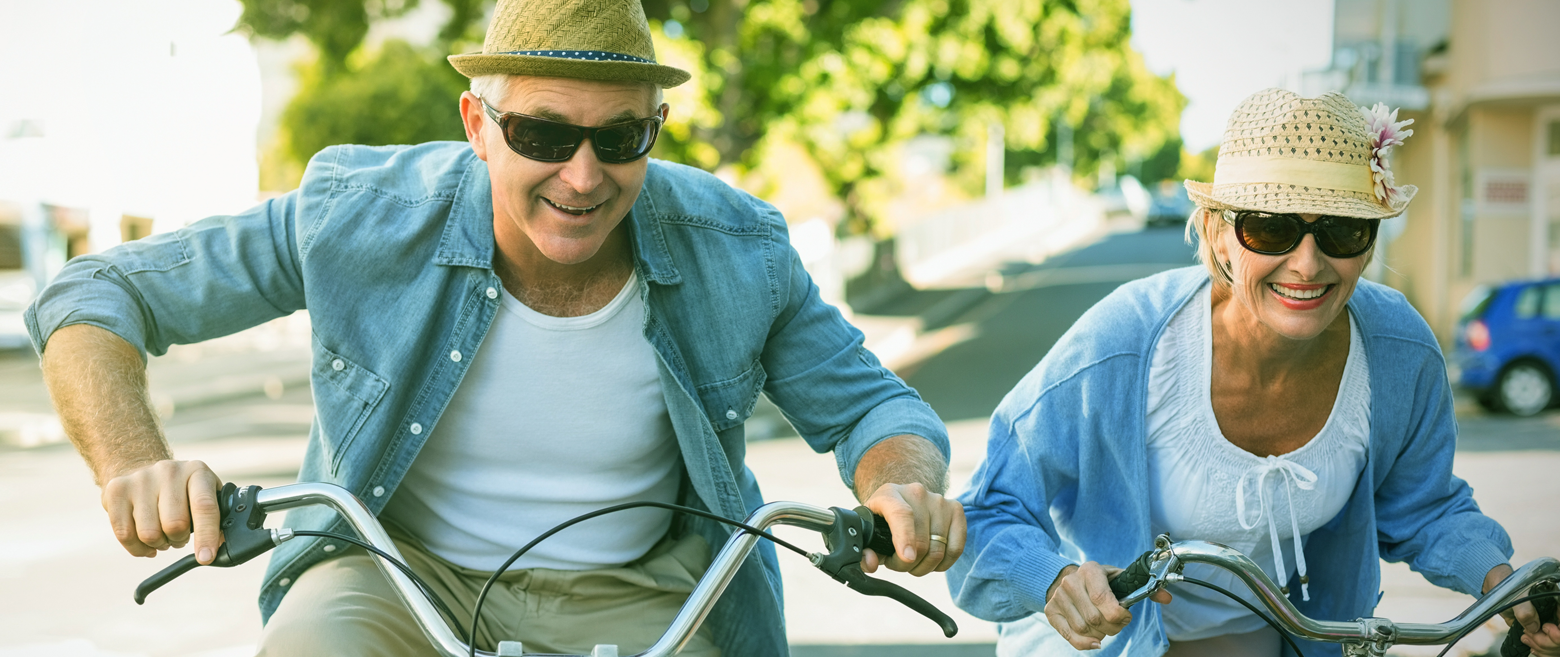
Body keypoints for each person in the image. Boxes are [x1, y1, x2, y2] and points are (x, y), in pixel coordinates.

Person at [24, 0, 966, 654]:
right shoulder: (358, 213)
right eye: (545, 137)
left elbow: (874, 410)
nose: (584, 175)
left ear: (657, 129)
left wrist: (902, 491)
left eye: (621, 138)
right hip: (398, 577)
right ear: (479, 124)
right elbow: (96, 294)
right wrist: (132, 463)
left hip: (648, 589)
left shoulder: (738, 245)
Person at [945, 88, 1560, 657]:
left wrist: (1506, 584)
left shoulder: (1399, 349)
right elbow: (990, 511)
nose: (1307, 264)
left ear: (1369, 243)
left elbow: (1424, 506)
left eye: (1343, 230)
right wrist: (1052, 581)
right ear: (1218, 233)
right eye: (1271, 227)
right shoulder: (1123, 345)